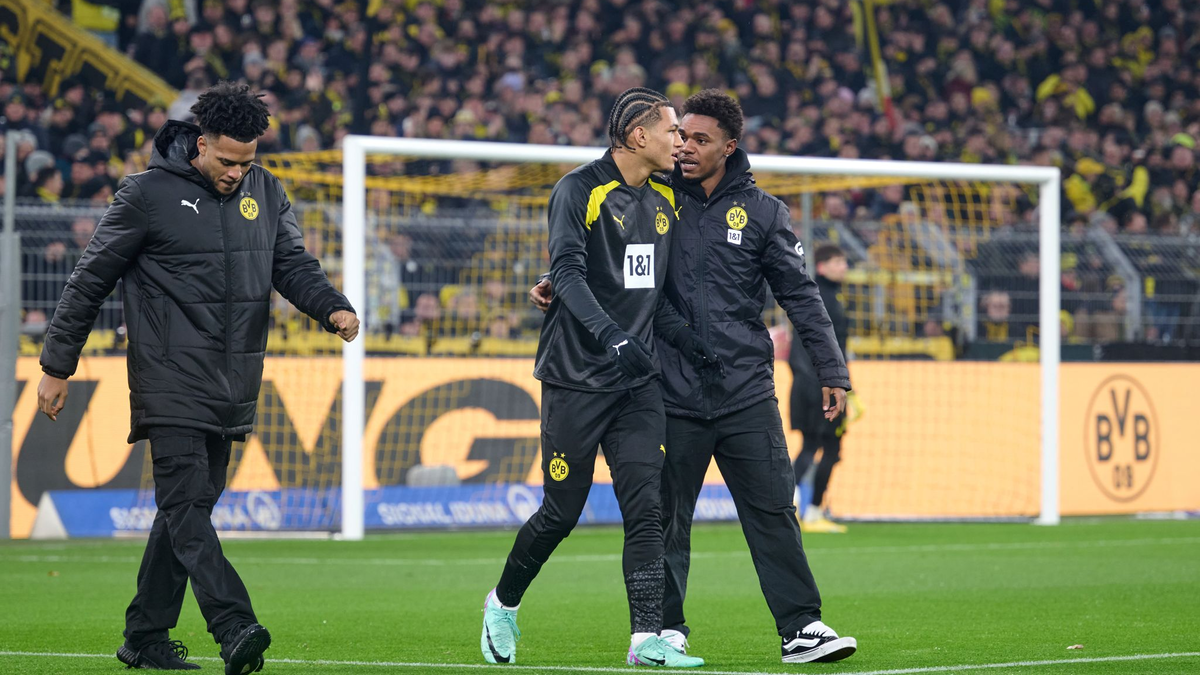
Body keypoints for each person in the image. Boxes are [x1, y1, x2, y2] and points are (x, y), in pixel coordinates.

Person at [36, 82, 359, 674]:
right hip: (168, 378)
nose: (238, 173)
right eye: (228, 161)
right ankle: (233, 624)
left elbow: (292, 265)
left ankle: (145, 636)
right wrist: (58, 366)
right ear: (200, 142)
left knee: (185, 513)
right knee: (186, 505)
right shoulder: (146, 194)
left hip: (234, 380)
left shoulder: (266, 191)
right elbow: (88, 280)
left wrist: (331, 306)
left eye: (248, 162)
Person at [532, 89, 857, 665]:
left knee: (773, 509)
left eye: (699, 139)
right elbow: (602, 260)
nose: (683, 147)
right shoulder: (656, 198)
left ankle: (802, 627)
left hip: (745, 390)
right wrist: (554, 283)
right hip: (669, 386)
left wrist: (831, 367)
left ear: (729, 147)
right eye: (680, 136)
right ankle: (668, 628)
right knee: (665, 518)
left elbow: (800, 296)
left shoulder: (763, 213)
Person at [481, 87, 709, 669]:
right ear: (638, 136)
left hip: (636, 384)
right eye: (671, 130)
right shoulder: (579, 189)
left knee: (647, 508)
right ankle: (503, 603)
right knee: (562, 510)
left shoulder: (665, 199)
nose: (679, 140)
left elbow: (652, 294)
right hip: (576, 377)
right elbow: (567, 271)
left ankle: (645, 639)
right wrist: (612, 337)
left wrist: (695, 346)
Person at [790, 244, 852, 534]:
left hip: (812, 383)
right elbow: (825, 347)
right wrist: (834, 383)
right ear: (824, 266)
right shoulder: (823, 298)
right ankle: (810, 511)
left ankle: (791, 508)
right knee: (825, 447)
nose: (844, 267)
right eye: (839, 261)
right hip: (821, 385)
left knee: (814, 446)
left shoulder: (820, 295)